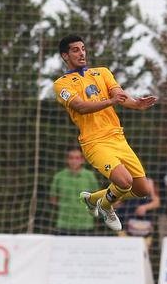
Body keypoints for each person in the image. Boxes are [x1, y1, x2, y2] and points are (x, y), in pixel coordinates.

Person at [53, 34, 158, 231]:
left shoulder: (102, 72)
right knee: (124, 182)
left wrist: (136, 104)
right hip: (95, 141)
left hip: (118, 138)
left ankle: (93, 200)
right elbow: (81, 107)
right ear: (65, 56)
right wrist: (111, 101)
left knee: (142, 190)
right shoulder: (61, 84)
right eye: (75, 50)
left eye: (83, 48)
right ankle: (106, 206)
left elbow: (120, 95)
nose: (82, 53)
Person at [49, 147, 100, 235]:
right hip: (63, 224)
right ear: (67, 160)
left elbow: (97, 197)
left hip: (86, 224)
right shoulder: (59, 177)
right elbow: (53, 200)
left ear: (82, 160)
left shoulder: (90, 176)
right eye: (71, 158)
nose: (74, 161)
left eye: (77, 158)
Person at [115, 178, 160, 250]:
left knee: (143, 252)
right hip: (124, 225)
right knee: (124, 250)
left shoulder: (149, 182)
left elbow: (157, 203)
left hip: (143, 226)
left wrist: (145, 207)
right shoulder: (120, 180)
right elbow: (114, 202)